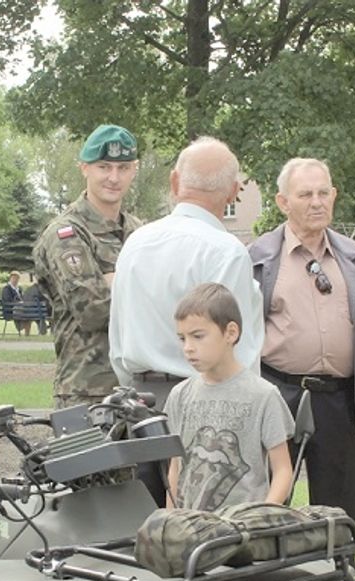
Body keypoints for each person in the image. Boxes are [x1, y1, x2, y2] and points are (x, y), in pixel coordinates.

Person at [109, 136, 264, 506]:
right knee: (201, 535)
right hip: (207, 405)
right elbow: (234, 346)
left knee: (141, 530)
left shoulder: (136, 243)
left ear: (175, 182)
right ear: (233, 192)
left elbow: (117, 335)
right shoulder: (225, 251)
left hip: (139, 403)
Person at [248, 157, 355, 532]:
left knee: (340, 515)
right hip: (277, 395)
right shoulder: (258, 259)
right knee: (268, 508)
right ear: (283, 202)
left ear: (334, 196)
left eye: (323, 193)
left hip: (341, 403)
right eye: (305, 194)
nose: (316, 202)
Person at [33, 124, 142, 408]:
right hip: (86, 392)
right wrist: (140, 284)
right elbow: (93, 309)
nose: (113, 177)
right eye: (104, 167)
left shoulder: (140, 232)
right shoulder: (66, 233)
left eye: (123, 167)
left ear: (134, 169)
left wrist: (112, 280)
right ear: (85, 168)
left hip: (139, 388)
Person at [164, 283, 294, 512]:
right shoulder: (179, 395)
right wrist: (170, 521)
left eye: (197, 336)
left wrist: (261, 518)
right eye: (182, 338)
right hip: (190, 530)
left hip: (242, 534)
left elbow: (283, 470)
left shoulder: (264, 395)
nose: (188, 348)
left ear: (231, 333)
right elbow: (175, 467)